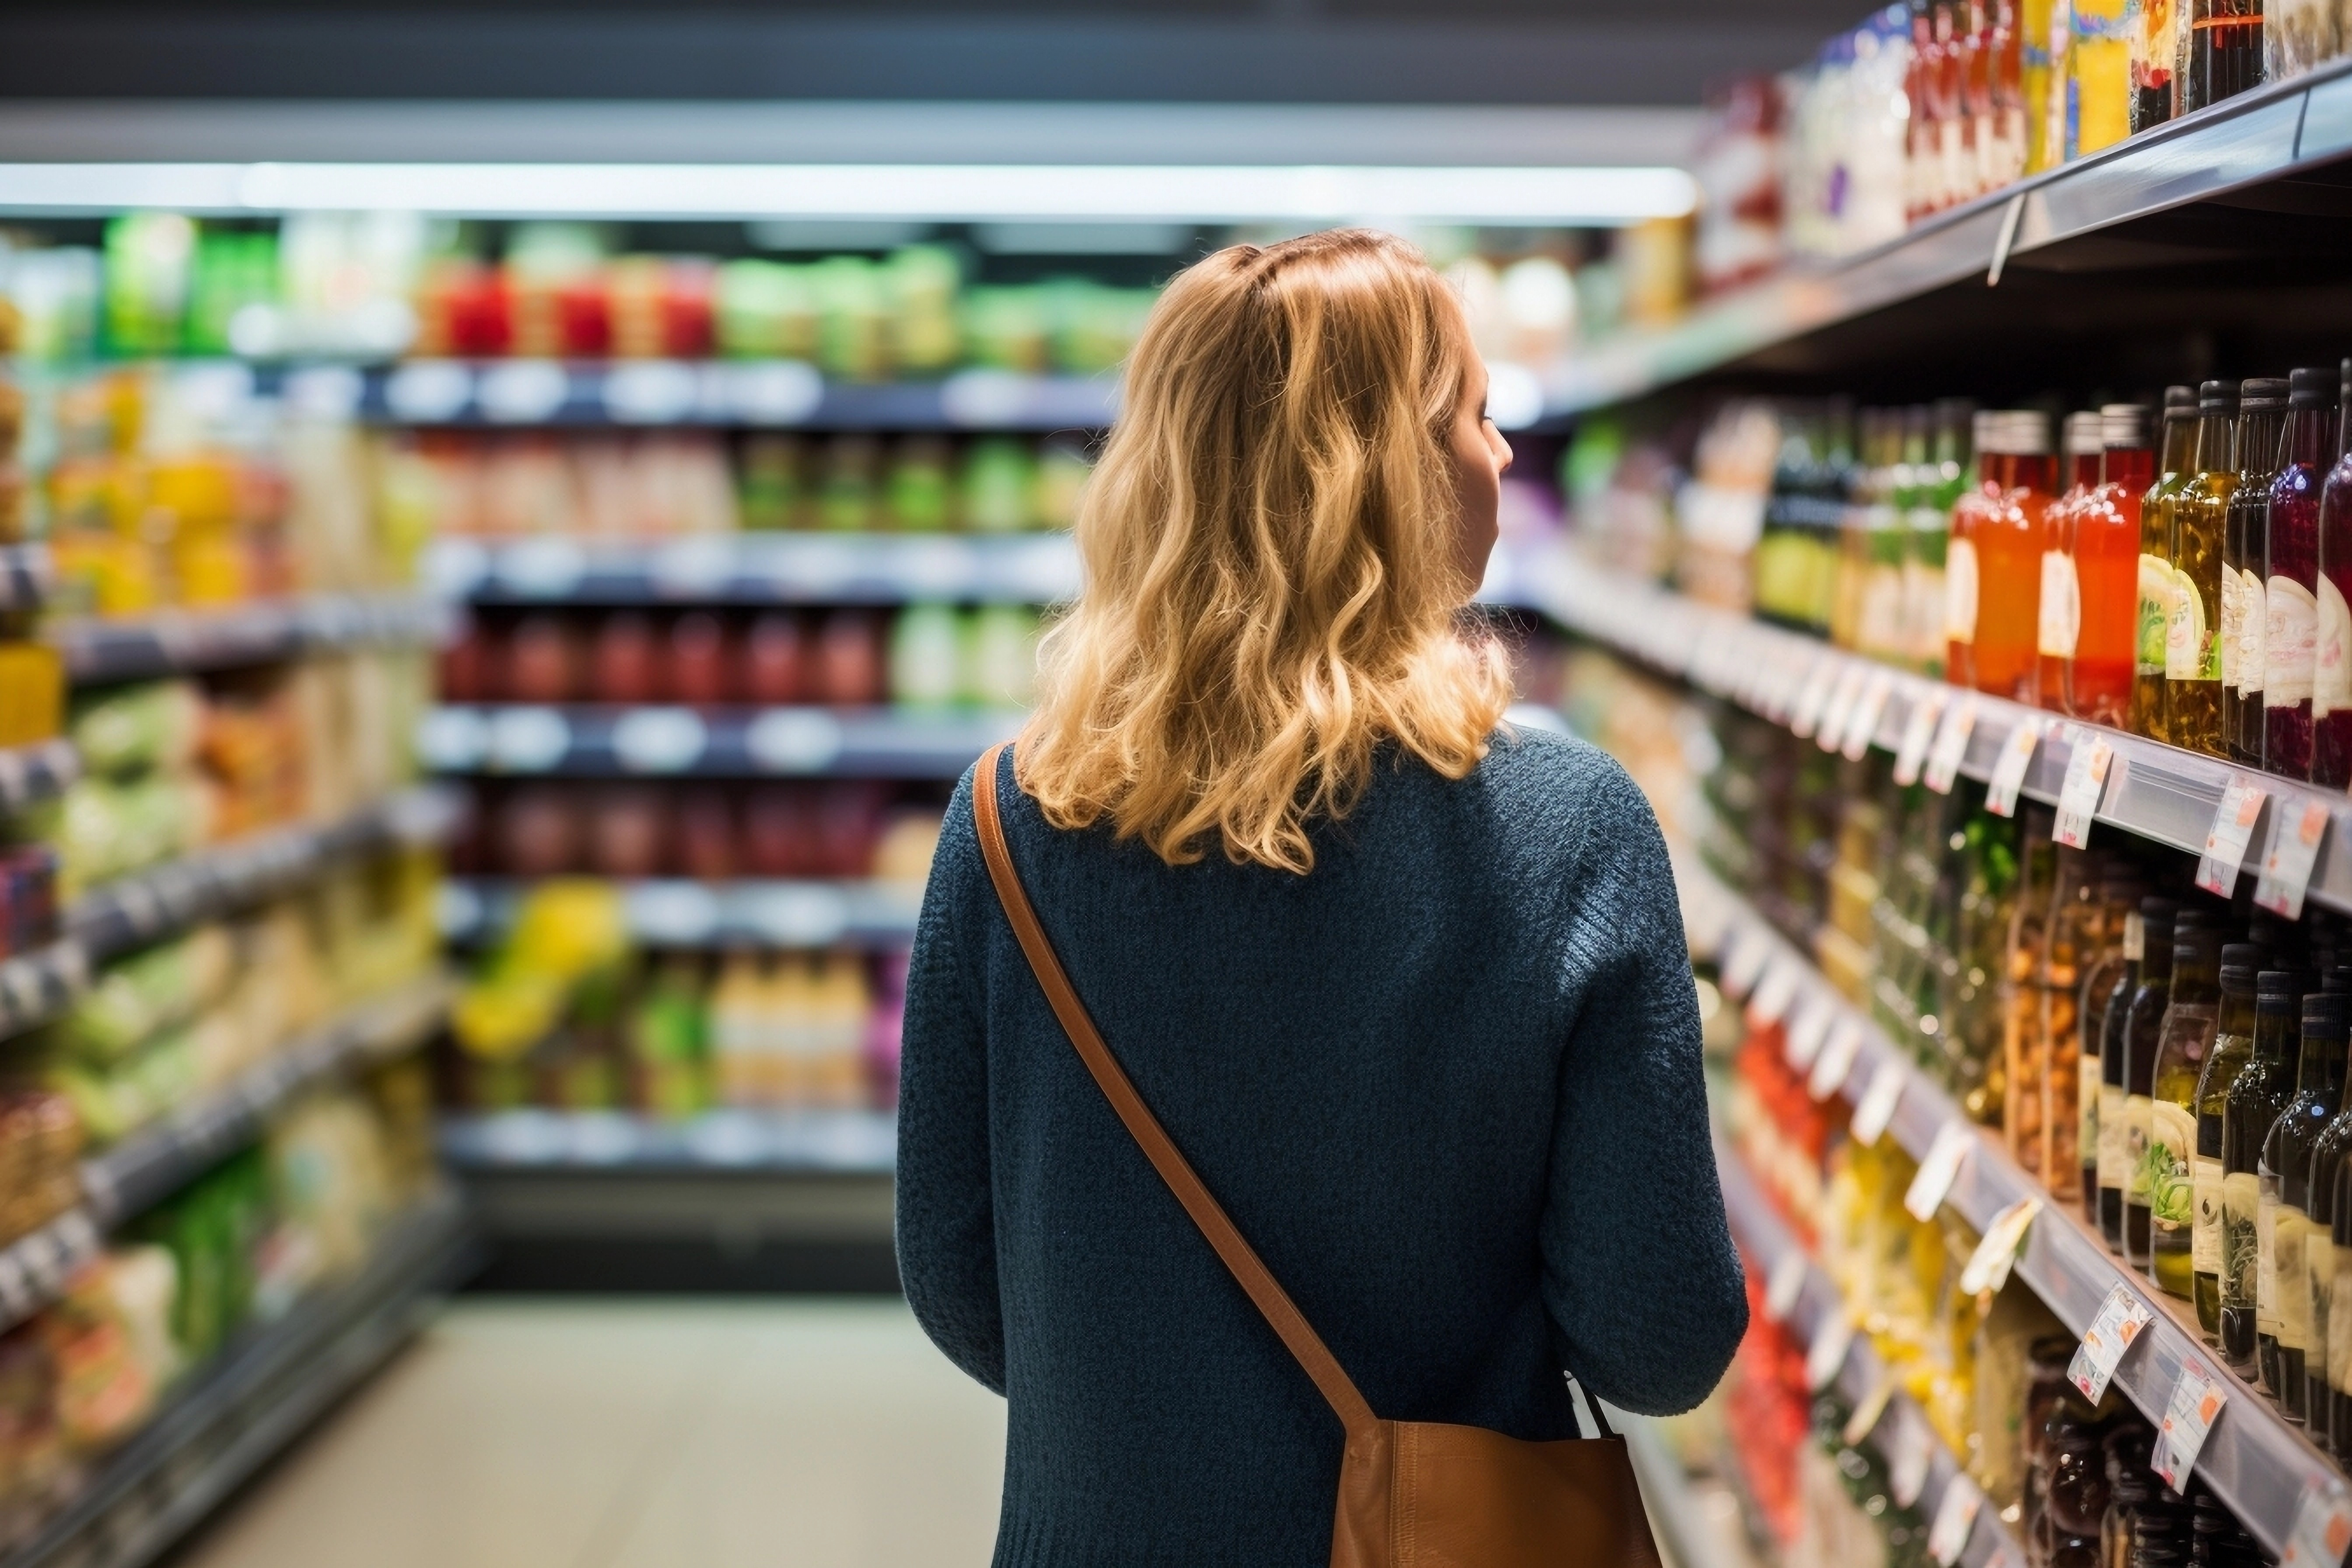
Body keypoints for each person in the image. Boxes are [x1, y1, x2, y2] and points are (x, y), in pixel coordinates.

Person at [895, 228, 1745, 1565]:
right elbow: (1660, 1340)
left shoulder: (1005, 824)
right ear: (1388, 477)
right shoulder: (1571, 830)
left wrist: (1160, 1411)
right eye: (1472, 414)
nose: (1504, 453)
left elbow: (955, 1280)